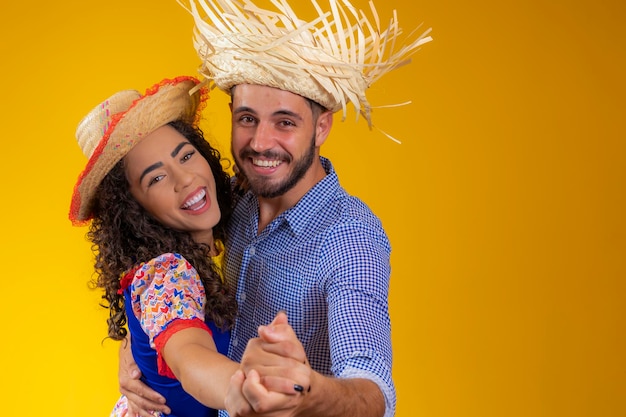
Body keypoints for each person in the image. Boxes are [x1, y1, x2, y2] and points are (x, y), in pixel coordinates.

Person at [122, 1, 433, 416]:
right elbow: (164, 282)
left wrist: (306, 392)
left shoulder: (349, 236)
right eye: (248, 118)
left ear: (321, 127)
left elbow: (374, 392)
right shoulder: (227, 200)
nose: (261, 143)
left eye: (285, 122)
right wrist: (140, 353)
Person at [69, 76, 308, 417]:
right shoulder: (167, 273)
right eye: (156, 178)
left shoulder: (220, 215)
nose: (186, 179)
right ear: (134, 209)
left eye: (185, 156)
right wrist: (241, 388)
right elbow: (189, 357)